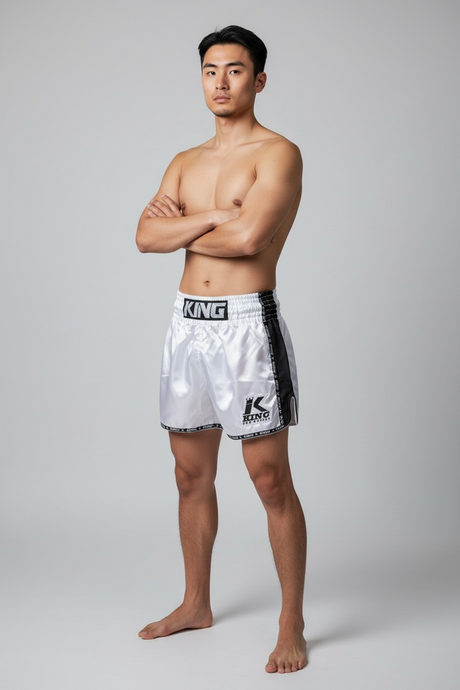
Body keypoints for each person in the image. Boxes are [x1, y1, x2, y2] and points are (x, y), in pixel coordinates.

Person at [136, 25, 307, 674]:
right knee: (189, 476)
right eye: (211, 70)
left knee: (269, 478)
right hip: (188, 326)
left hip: (246, 329)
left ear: (258, 79)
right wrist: (214, 216)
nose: (221, 82)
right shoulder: (185, 161)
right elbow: (144, 237)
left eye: (234, 70)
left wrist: (182, 226)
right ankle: (195, 603)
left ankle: (291, 623)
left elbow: (249, 240)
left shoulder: (279, 153)